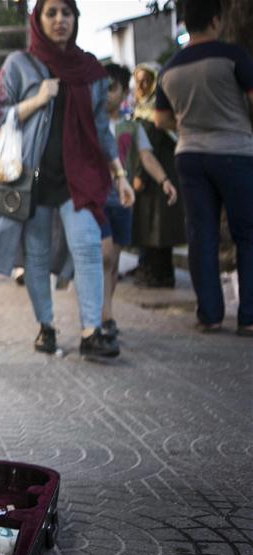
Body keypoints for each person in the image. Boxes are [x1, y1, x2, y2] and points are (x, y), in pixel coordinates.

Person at [0, 0, 133, 358]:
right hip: (31, 180)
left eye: (67, 12)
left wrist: (119, 175)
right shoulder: (19, 65)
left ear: (75, 19)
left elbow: (101, 130)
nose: (60, 20)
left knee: (89, 245)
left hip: (78, 178)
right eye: (52, 13)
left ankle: (91, 331)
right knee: (36, 256)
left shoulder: (89, 70)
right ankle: (45, 326)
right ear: (39, 19)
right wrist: (37, 99)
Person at [155, 0, 253, 337]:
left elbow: (160, 118)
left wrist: (188, 121)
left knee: (201, 235)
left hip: (190, 155)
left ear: (185, 24)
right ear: (215, 20)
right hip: (235, 151)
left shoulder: (169, 69)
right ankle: (249, 316)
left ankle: (210, 314)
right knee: (247, 234)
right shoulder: (233, 55)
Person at [101, 63, 178, 339]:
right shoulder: (89, 124)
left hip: (122, 201)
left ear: (123, 92)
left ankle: (106, 312)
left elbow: (147, 156)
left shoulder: (131, 126)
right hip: (94, 202)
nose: (105, 94)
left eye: (112, 88)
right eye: (101, 87)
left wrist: (164, 180)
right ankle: (100, 314)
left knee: (113, 260)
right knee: (105, 256)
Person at [130, 63, 186, 288]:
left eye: (146, 81)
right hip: (158, 176)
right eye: (138, 81)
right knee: (155, 227)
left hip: (157, 177)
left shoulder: (157, 112)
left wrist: (141, 175)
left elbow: (148, 146)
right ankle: (154, 270)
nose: (142, 86)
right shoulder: (141, 108)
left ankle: (156, 273)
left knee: (155, 228)